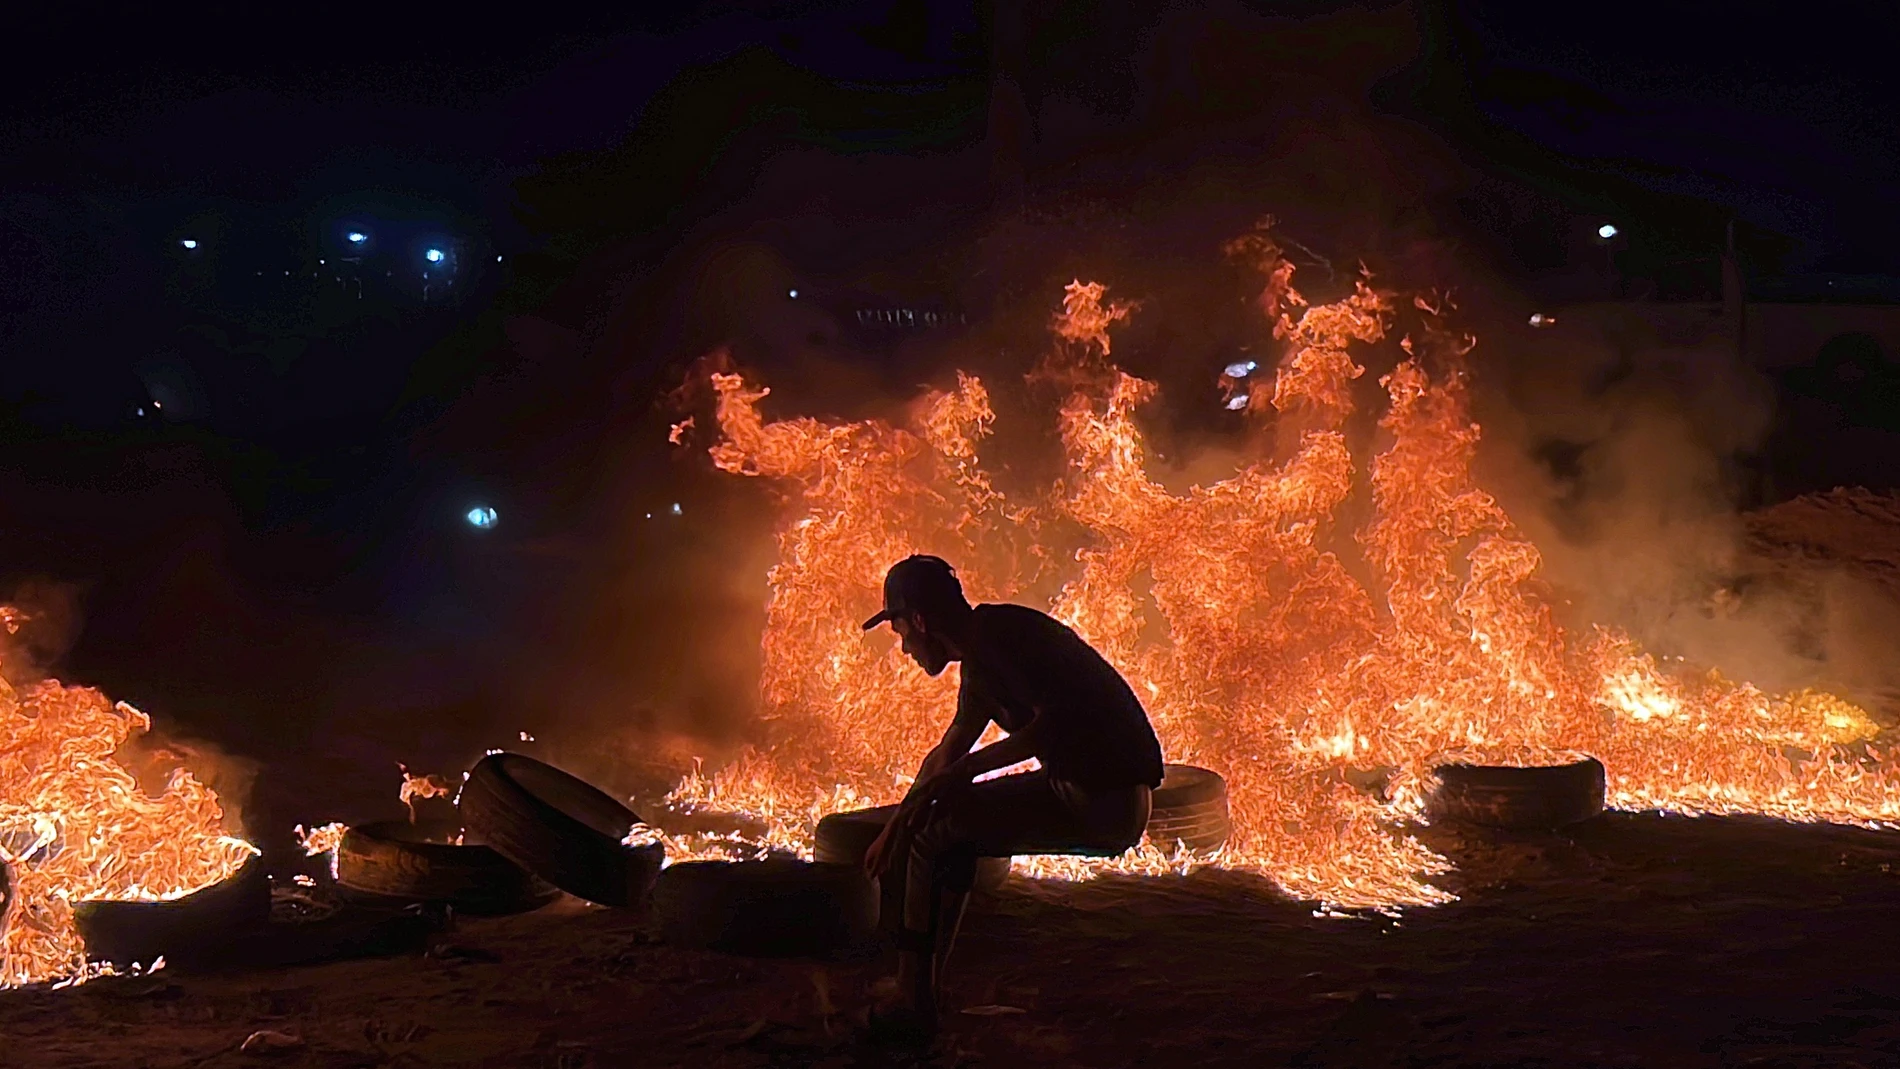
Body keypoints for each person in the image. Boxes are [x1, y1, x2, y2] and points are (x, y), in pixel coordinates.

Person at [857, 554, 1164, 1043]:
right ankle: (923, 989)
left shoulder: (1000, 639)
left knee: (937, 832)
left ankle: (912, 1004)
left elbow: (1052, 724)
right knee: (943, 832)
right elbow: (946, 754)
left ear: (918, 620)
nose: (905, 650)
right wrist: (895, 827)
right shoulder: (984, 655)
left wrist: (960, 776)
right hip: (1092, 793)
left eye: (900, 634)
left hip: (1105, 800)